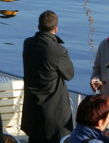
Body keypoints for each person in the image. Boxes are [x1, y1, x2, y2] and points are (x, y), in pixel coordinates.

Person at [22, 10, 75, 143]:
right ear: (56, 29)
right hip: (54, 113)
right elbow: (70, 74)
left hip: (33, 109)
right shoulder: (59, 51)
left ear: (39, 27)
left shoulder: (27, 44)